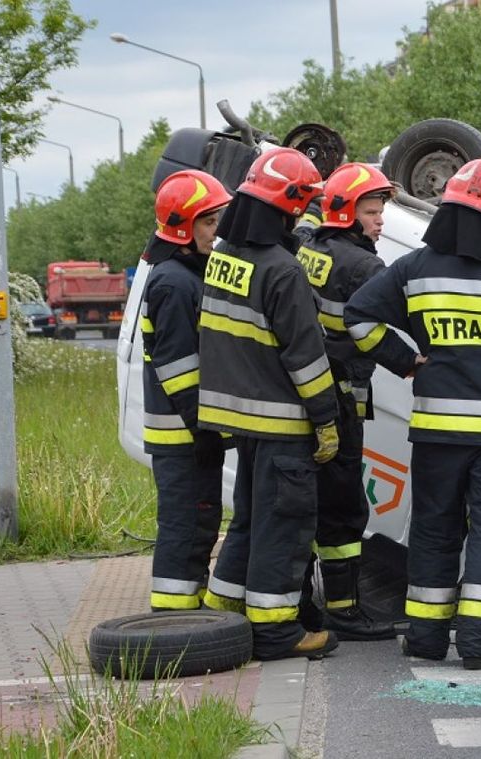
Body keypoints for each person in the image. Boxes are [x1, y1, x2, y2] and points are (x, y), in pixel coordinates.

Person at [344, 157, 481, 669]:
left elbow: (357, 315)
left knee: (434, 530)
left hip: (437, 432)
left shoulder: (415, 268)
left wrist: (404, 360)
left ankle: (425, 639)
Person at [198, 148, 341, 661]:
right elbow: (306, 357)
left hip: (239, 420)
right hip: (281, 423)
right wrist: (326, 418)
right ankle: (277, 632)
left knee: (249, 521)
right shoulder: (283, 270)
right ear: (291, 205)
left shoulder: (224, 257)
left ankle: (225, 611)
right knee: (284, 525)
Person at [292, 163, 398, 641]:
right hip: (340, 399)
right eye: (372, 212)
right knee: (344, 508)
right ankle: (343, 610)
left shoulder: (308, 246)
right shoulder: (365, 266)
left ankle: (301, 605)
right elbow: (382, 329)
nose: (380, 222)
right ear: (347, 214)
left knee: (304, 506)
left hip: (304, 395)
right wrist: (415, 360)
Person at [142, 169, 232, 612]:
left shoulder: (187, 275)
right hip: (182, 434)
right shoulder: (175, 283)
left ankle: (190, 606)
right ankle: (174, 619)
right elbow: (177, 368)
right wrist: (205, 425)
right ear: (183, 226)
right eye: (210, 222)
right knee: (183, 524)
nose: (219, 232)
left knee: (201, 521)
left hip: (190, 431)